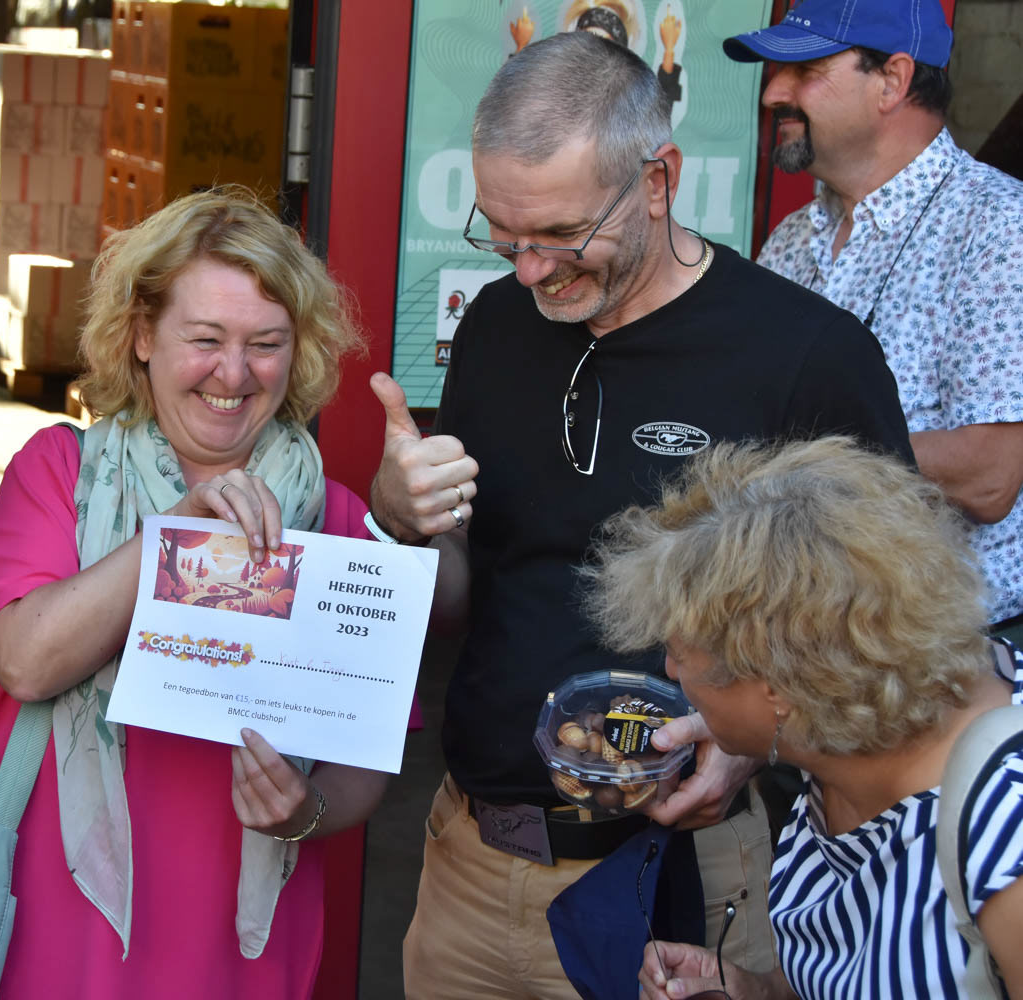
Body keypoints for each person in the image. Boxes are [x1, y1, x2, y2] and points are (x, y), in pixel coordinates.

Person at [366, 31, 915, 999]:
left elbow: (891, 634)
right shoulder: (494, 324)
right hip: (467, 864)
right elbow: (466, 594)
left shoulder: (805, 354)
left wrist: (750, 742)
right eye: (504, 235)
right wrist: (406, 518)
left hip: (678, 884)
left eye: (562, 235)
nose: (531, 271)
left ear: (658, 180)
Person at [0, 187, 387, 997]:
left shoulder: (336, 519)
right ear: (143, 336)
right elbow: (28, 663)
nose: (233, 373)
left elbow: (367, 753)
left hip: (237, 945)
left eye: (266, 344)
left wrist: (307, 809)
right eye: (205, 339)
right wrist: (174, 536)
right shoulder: (59, 473)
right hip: (45, 923)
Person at [577, 436, 1023, 1000]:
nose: (668, 669)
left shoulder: (1006, 837)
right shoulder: (836, 735)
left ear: (776, 684)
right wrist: (758, 991)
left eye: (678, 652)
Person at [725, 0, 1023, 645]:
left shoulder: (1000, 226)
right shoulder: (791, 238)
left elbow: (989, 476)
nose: (774, 93)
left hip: (948, 651)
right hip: (802, 639)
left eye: (805, 70)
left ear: (892, 80)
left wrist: (786, 453)